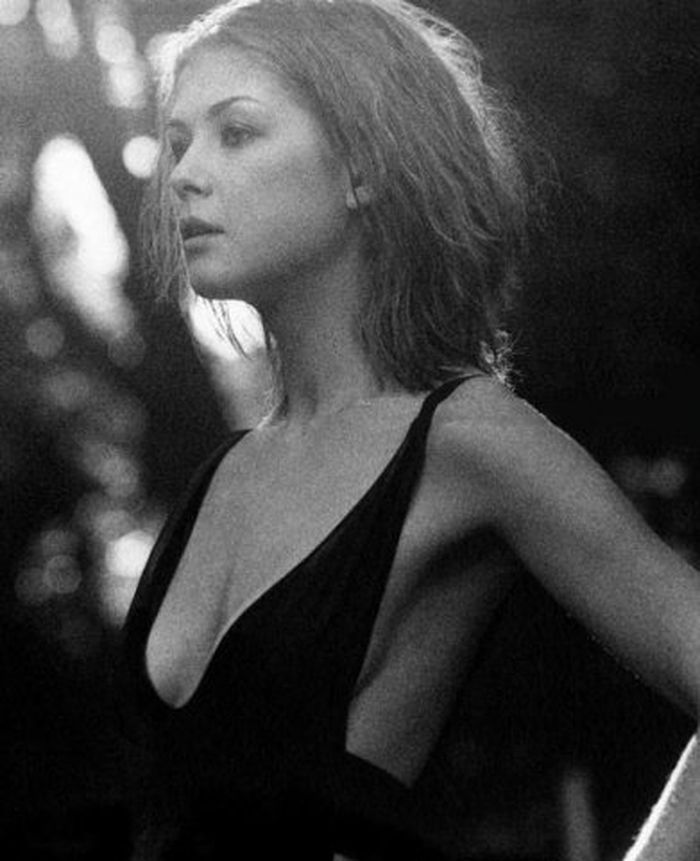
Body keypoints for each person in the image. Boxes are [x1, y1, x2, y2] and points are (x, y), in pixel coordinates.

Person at [117, 0, 700, 859]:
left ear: (363, 167)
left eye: (235, 133)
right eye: (177, 142)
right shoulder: (228, 468)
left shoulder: (467, 439)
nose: (183, 175)